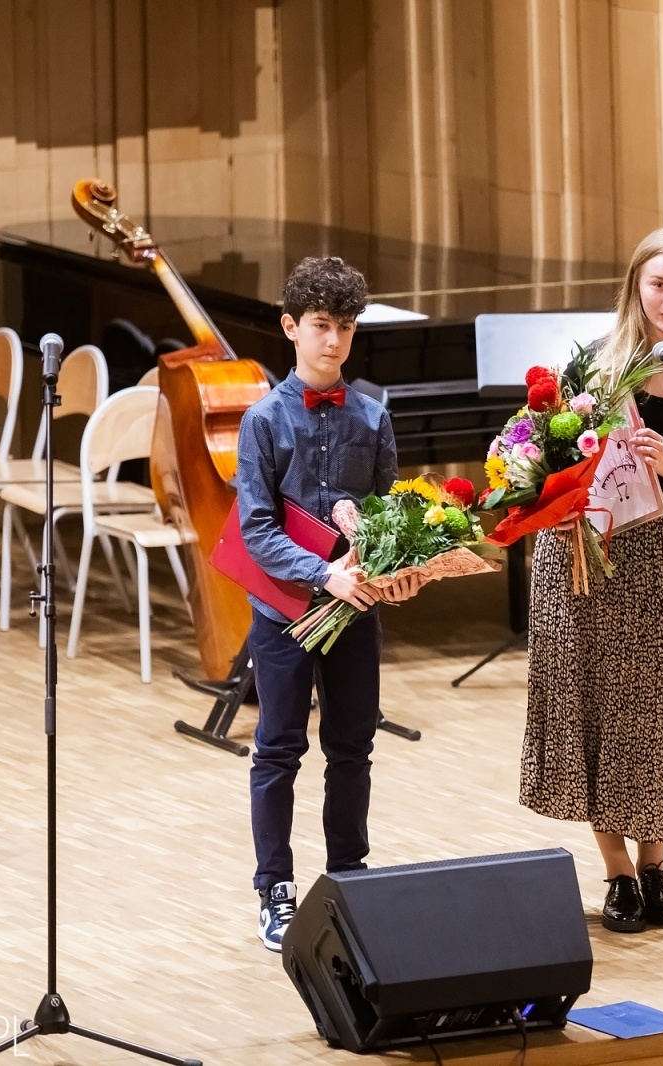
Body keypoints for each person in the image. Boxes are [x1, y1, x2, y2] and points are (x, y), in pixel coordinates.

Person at [519, 228, 663, 932]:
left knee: (646, 710)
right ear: (636, 289)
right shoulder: (594, 366)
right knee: (592, 703)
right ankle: (617, 871)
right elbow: (545, 458)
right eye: (660, 285)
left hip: (651, 551)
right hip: (583, 546)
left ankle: (654, 866)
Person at [236, 255, 425, 951]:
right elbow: (256, 529)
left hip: (354, 614)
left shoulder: (373, 418)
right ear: (291, 327)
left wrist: (398, 569)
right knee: (278, 750)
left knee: (352, 748)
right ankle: (275, 889)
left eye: (345, 327)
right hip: (284, 613)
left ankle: (350, 877)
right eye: (320, 325)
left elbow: (388, 518)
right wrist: (323, 574)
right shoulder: (262, 420)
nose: (333, 340)